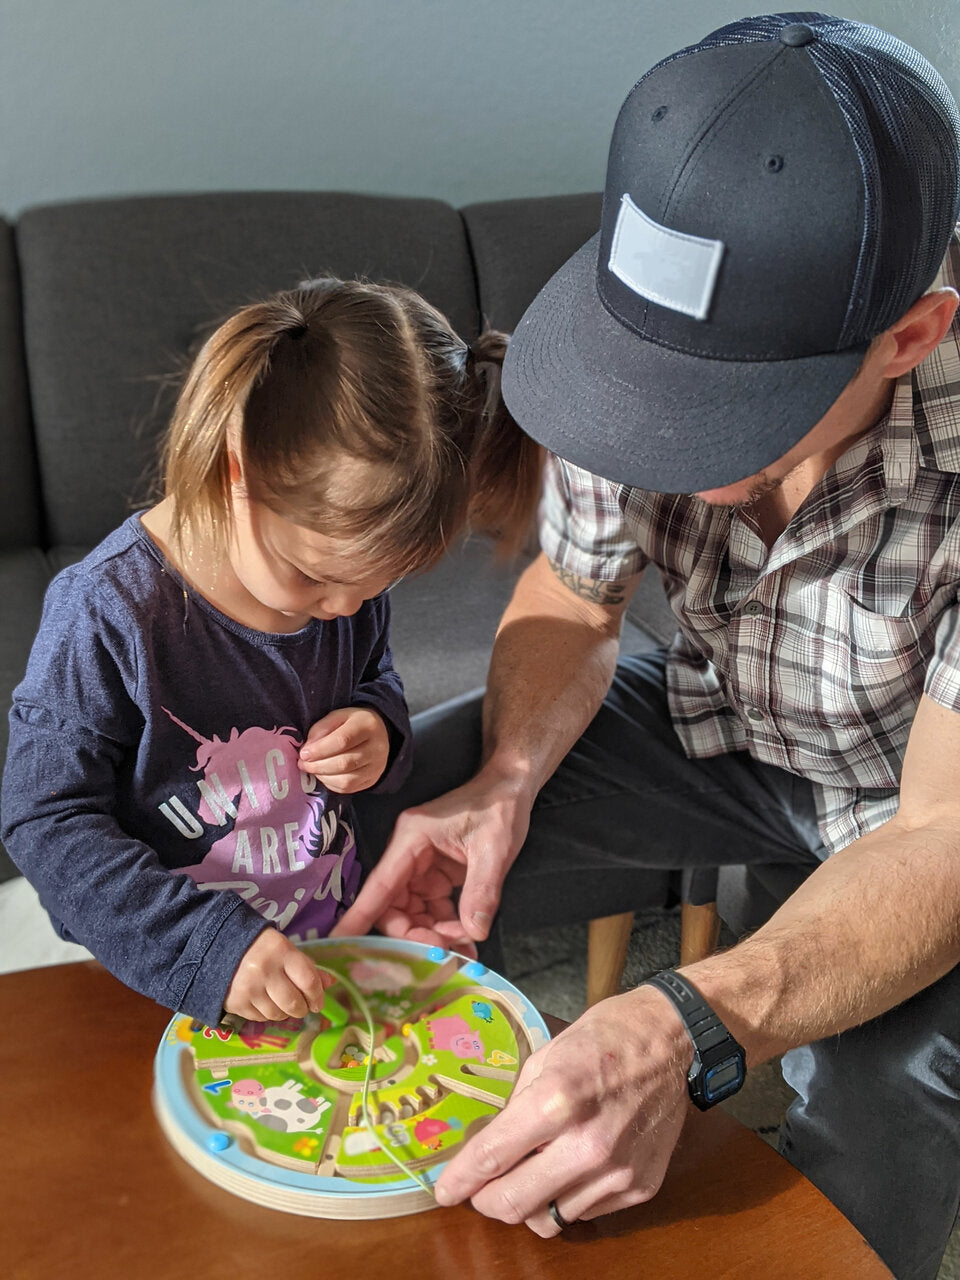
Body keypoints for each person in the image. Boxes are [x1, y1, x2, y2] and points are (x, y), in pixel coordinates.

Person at [335, 14, 960, 1278]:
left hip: (919, 811)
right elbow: (575, 596)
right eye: (650, 393)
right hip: (721, 726)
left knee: (890, 1116)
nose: (660, 444)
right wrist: (506, 780)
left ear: (912, 334)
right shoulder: (627, 348)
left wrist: (683, 1023)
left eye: (731, 415)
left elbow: (941, 831)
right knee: (393, 805)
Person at [0, 277, 540, 1031]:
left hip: (317, 944)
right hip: (163, 970)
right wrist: (209, 948)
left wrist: (376, 726)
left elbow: (372, 676)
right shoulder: (109, 612)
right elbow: (44, 819)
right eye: (317, 577)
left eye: (374, 586)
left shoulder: (341, 595)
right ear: (236, 470)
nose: (345, 610)